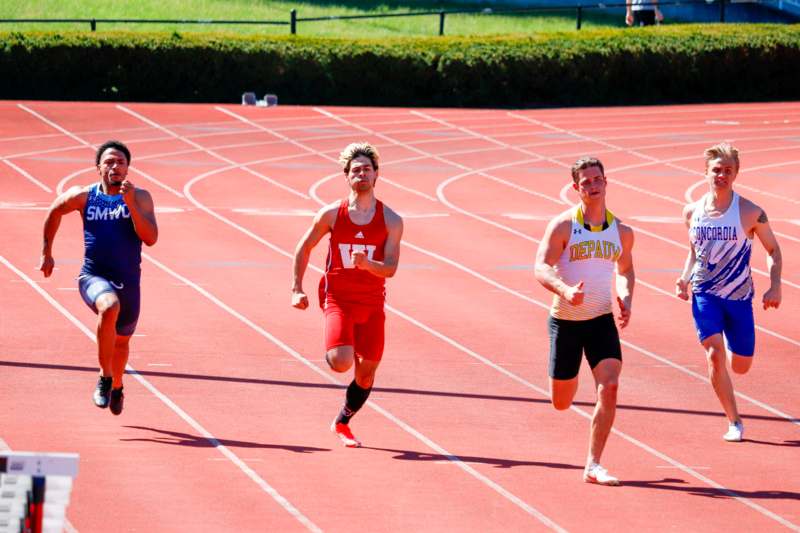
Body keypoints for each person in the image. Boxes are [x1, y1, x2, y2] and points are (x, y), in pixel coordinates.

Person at [292, 142, 403, 447]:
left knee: (366, 375)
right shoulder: (331, 214)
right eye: (355, 170)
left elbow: (391, 267)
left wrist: (369, 264)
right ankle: (344, 341)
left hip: (371, 303)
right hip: (338, 298)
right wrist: (296, 288)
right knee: (340, 362)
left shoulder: (392, 220)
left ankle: (343, 420)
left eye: (367, 168)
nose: (362, 174)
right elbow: (304, 247)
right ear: (346, 176)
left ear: (377, 174)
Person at [535, 156, 635, 486]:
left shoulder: (621, 231)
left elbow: (625, 271)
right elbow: (541, 267)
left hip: (600, 320)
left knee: (610, 386)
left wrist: (625, 295)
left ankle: (594, 464)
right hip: (566, 321)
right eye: (586, 182)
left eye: (597, 179)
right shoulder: (563, 226)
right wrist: (564, 290)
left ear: (606, 182)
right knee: (561, 401)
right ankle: (570, 374)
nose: (593, 185)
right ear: (576, 188)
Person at [39, 140, 158, 416]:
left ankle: (117, 385)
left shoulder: (140, 198)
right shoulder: (83, 196)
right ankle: (105, 378)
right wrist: (47, 252)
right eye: (109, 161)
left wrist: (130, 205)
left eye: (120, 162)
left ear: (128, 168)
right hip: (93, 275)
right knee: (109, 307)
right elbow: (54, 210)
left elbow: (150, 239)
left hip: (129, 281)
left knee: (122, 342)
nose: (115, 166)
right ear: (98, 168)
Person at [676, 142, 782, 442]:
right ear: (705, 172)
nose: (721, 175)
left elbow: (773, 250)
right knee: (713, 354)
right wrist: (684, 278)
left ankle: (738, 350)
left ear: (736, 173)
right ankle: (734, 421)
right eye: (716, 170)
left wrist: (775, 285)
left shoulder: (750, 212)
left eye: (728, 171)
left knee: (741, 365)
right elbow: (694, 252)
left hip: (738, 298)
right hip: (704, 294)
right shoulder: (691, 212)